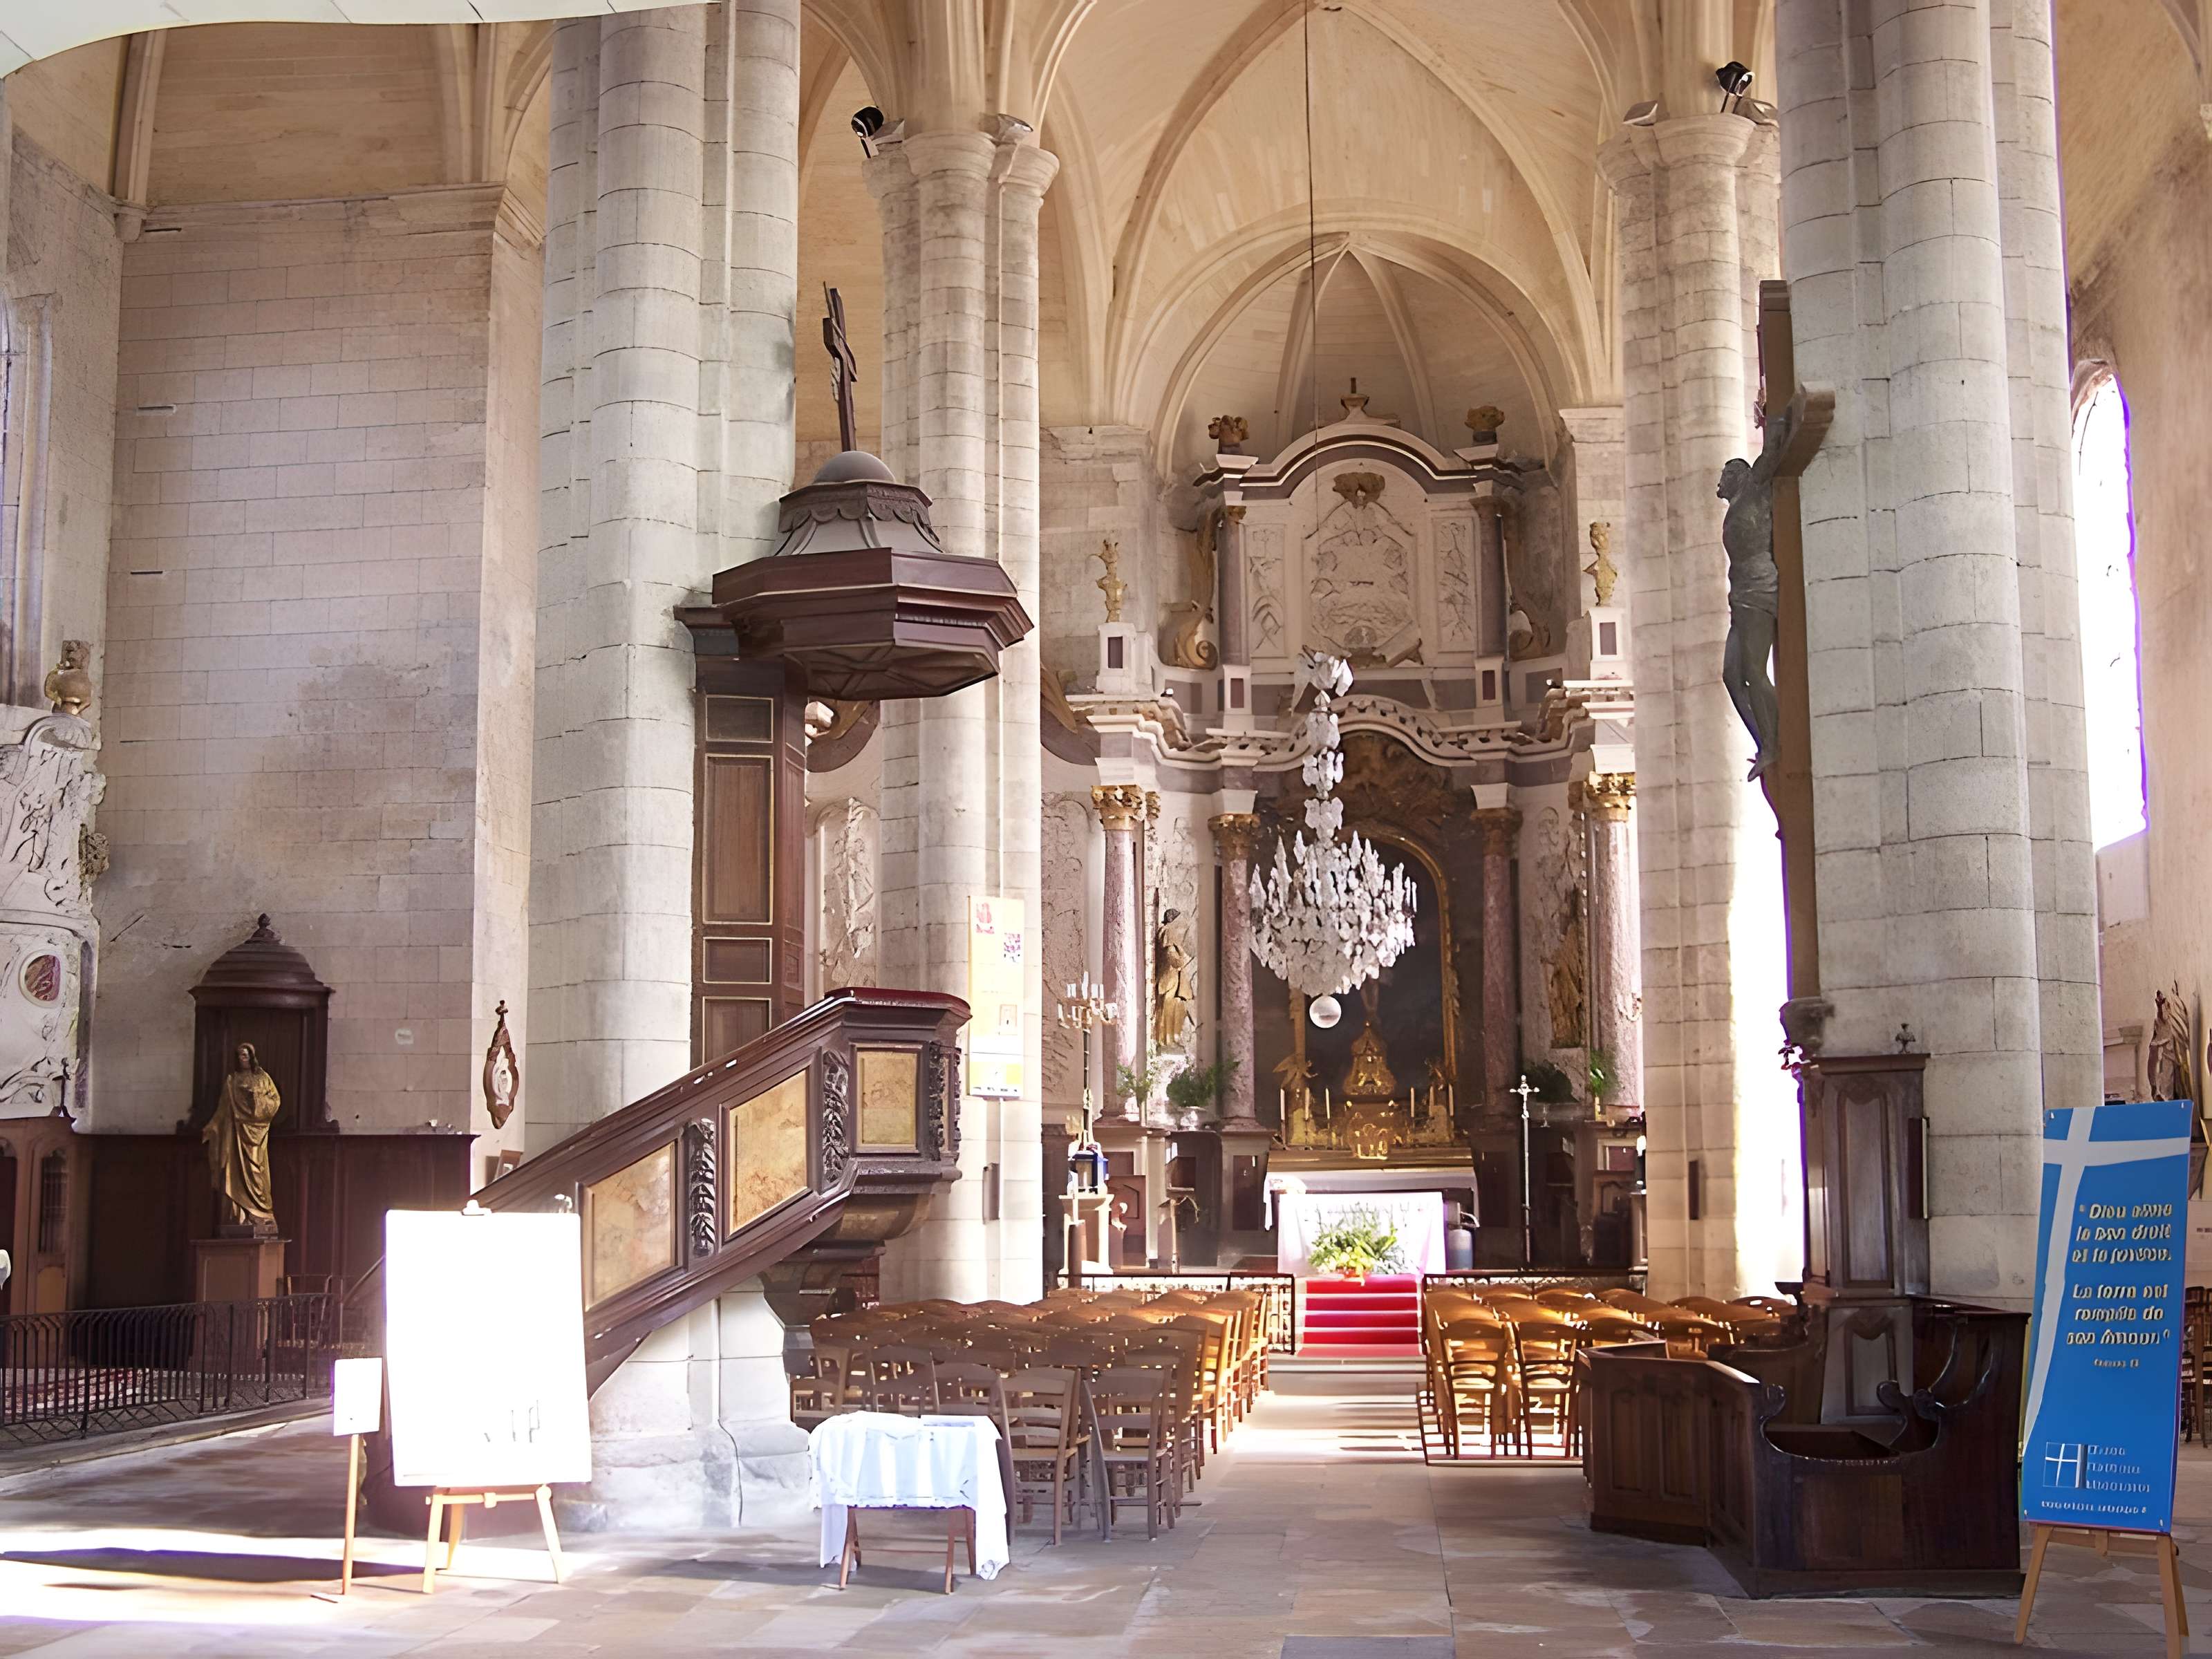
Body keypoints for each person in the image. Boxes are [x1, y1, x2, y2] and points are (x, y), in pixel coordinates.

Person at [204, 1042, 283, 1232]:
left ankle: (260, 1215)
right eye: (240, 1055)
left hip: (256, 1133)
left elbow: (275, 1102)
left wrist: (256, 1098)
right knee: (234, 1173)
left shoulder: (263, 1078)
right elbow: (223, 1110)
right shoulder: (232, 1081)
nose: (243, 1058)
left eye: (246, 1054)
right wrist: (213, 1126)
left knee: (257, 1172)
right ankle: (238, 1216)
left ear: (252, 1056)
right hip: (235, 1134)